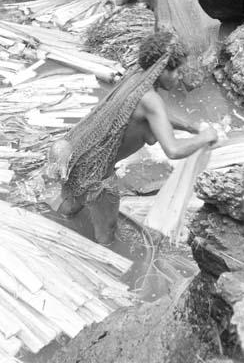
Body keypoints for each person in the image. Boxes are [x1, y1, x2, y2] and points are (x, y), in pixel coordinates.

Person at [47, 30, 218, 245]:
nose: (180, 77)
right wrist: (206, 137)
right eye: (177, 71)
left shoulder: (136, 77)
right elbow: (173, 150)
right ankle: (101, 266)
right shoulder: (151, 100)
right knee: (107, 232)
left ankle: (50, 232)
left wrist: (189, 126)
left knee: (69, 208)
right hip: (96, 176)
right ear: (162, 69)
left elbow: (156, 116)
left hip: (78, 157)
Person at [115, 0, 220, 88]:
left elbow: (120, 1)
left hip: (168, 32)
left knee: (164, 68)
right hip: (193, 29)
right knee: (187, 66)